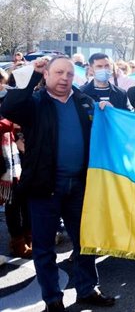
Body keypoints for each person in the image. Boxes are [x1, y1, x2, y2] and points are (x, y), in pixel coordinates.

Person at [0, 57, 115, 311]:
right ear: (47, 75)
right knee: (44, 248)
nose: (65, 78)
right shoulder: (35, 102)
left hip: (80, 186)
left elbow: (104, 133)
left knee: (85, 241)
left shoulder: (84, 102)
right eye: (59, 72)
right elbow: (9, 107)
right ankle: (53, 299)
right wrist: (32, 76)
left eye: (70, 74)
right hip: (45, 187)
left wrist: (107, 113)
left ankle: (87, 288)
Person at [1, 68, 32, 259]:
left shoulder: (14, 97)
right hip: (7, 159)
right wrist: (11, 126)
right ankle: (17, 242)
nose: (2, 87)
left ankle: (29, 238)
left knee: (27, 200)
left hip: (21, 157)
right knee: (12, 202)